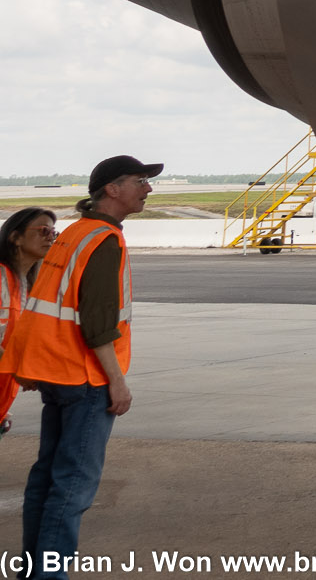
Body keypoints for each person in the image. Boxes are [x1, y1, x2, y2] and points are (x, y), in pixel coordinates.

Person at [2, 157, 161, 580]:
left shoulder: (74, 233)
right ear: (112, 189)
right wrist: (118, 382)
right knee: (73, 484)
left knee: (46, 478)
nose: (148, 189)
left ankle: (33, 570)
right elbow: (97, 323)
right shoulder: (103, 240)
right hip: (86, 377)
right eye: (140, 181)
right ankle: (48, 575)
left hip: (56, 372)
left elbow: (45, 305)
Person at [0, 208, 59, 435]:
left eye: (53, 232)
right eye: (43, 230)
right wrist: (18, 370)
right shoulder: (2, 276)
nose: (50, 237)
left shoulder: (28, 285)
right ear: (15, 237)